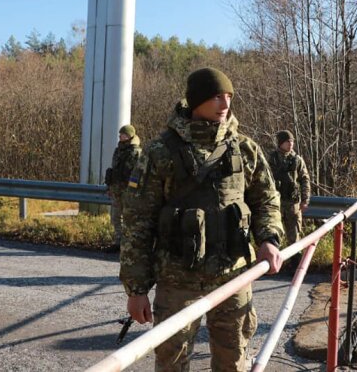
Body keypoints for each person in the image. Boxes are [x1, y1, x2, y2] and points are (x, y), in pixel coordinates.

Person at [120, 67, 284, 371]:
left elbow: (267, 199)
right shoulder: (160, 151)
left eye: (229, 97)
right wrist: (137, 289)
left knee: (233, 360)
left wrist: (269, 239)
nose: (225, 104)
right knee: (171, 362)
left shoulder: (245, 148)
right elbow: (137, 221)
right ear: (196, 101)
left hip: (233, 276)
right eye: (217, 97)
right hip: (177, 279)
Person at [268, 130, 311, 252]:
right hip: (276, 204)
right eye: (287, 141)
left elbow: (305, 180)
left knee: (295, 238)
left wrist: (305, 200)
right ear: (281, 143)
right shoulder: (272, 159)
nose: (290, 143)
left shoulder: (297, 160)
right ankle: (273, 265)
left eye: (292, 141)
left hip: (293, 204)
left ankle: (295, 265)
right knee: (274, 236)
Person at [104, 124, 142, 252]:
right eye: (120, 134)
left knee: (128, 218)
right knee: (115, 217)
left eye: (123, 134)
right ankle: (118, 242)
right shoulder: (118, 150)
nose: (120, 136)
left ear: (130, 136)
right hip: (116, 189)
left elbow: (137, 174)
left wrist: (134, 191)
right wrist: (110, 187)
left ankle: (128, 244)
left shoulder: (136, 152)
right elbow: (114, 170)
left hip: (128, 191)